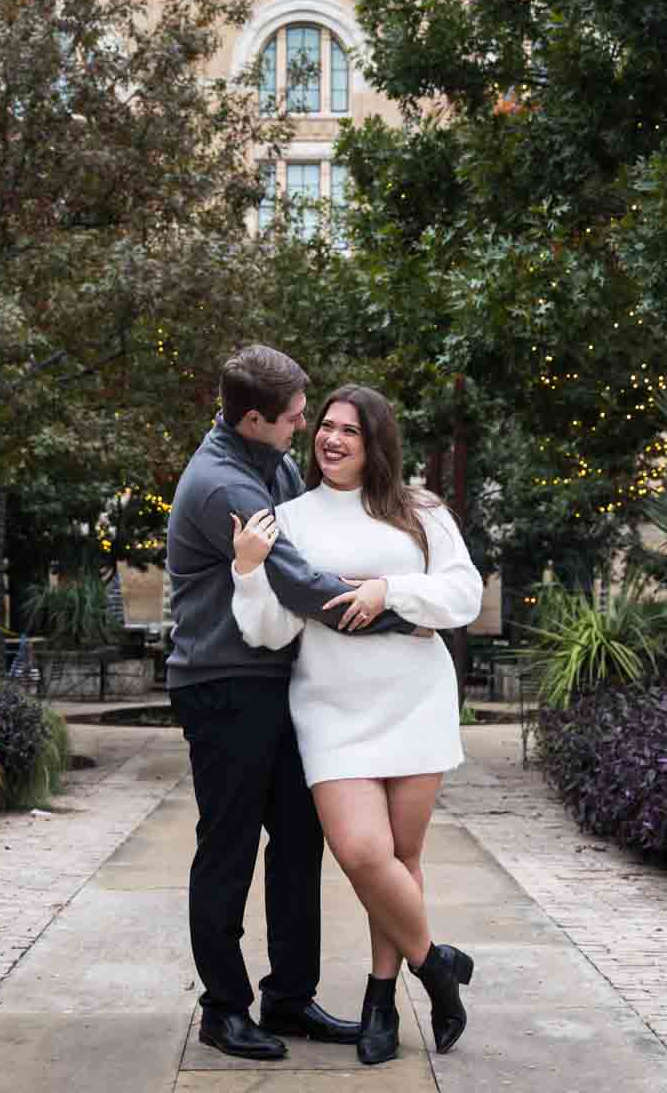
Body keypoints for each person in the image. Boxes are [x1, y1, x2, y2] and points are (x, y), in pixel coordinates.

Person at [166, 344, 421, 1063]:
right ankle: (224, 1008)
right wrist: (402, 610)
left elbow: (311, 558)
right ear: (253, 419)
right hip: (221, 683)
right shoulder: (223, 485)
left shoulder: (269, 463)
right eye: (295, 419)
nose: (305, 431)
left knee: (299, 840)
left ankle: (287, 997)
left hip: (275, 676)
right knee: (228, 847)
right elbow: (302, 583)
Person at [229, 382, 483, 1067]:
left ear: (376, 444)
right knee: (362, 853)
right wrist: (249, 573)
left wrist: (388, 589)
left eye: (351, 431)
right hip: (331, 703)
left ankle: (381, 998)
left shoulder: (419, 510)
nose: (333, 439)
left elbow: (463, 593)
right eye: (327, 427)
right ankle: (436, 967)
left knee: (400, 860)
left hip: (413, 691)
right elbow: (267, 630)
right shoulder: (291, 516)